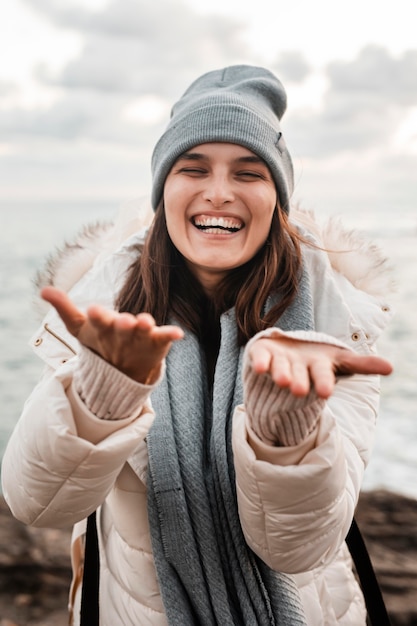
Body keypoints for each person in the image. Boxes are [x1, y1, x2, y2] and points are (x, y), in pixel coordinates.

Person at [1, 65, 394, 626]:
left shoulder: (336, 323)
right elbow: (37, 502)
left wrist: (284, 433)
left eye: (248, 173)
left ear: (276, 196)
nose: (218, 192)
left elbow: (300, 548)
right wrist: (101, 398)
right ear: (164, 189)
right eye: (193, 168)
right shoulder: (105, 308)